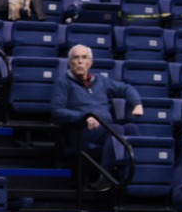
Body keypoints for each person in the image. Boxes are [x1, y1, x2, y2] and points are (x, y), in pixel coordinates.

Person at [50, 44, 142, 181]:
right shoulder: (63, 83)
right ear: (70, 62)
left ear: (90, 63)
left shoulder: (100, 81)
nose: (80, 61)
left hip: (106, 129)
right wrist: (84, 117)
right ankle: (106, 175)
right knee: (116, 129)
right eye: (76, 58)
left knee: (131, 128)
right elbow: (57, 112)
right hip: (81, 130)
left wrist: (137, 104)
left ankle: (134, 174)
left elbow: (126, 88)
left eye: (84, 57)